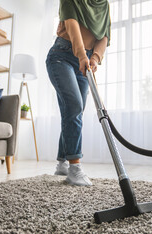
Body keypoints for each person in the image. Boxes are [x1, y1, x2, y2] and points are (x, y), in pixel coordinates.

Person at [46, 0, 111, 186]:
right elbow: (71, 24)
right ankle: (75, 168)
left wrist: (95, 58)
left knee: (74, 111)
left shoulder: (103, 4)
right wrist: (82, 55)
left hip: (86, 60)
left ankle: (62, 163)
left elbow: (104, 35)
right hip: (61, 56)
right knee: (74, 106)